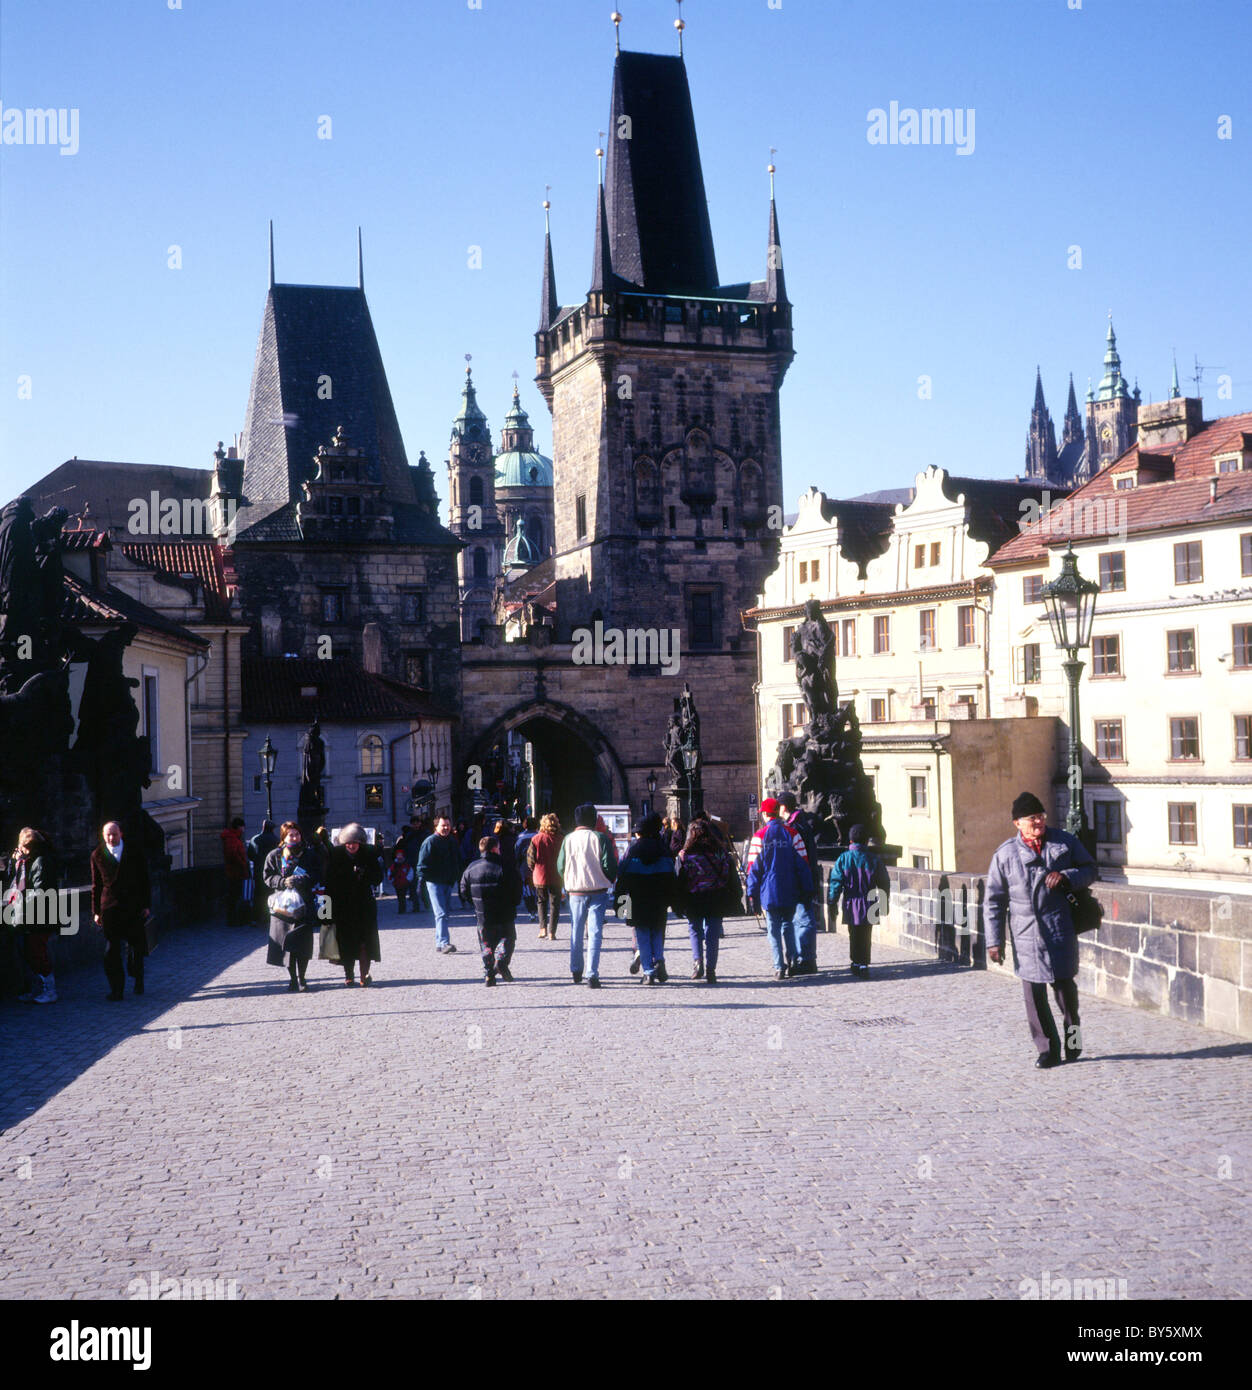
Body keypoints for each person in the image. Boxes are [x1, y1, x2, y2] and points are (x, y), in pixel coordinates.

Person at [985, 792, 1098, 1069]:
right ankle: (1047, 1050)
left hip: (1059, 928)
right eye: (1031, 818)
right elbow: (994, 901)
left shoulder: (1064, 842)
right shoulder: (1005, 855)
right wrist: (994, 942)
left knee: (1065, 993)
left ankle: (1073, 1040)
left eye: (1041, 816)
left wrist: (1067, 876)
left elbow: (1090, 869)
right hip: (1026, 934)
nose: (1038, 822)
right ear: (1017, 823)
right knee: (1033, 997)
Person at [744, 798, 813, 981]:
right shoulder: (792, 833)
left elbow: (753, 869)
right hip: (790, 889)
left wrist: (751, 894)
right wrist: (807, 889)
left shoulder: (759, 836)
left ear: (767, 814)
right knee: (788, 926)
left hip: (769, 891)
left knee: (773, 930)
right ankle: (792, 961)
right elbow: (803, 864)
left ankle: (779, 966)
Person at [556, 803, 617, 987]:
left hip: (575, 891)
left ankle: (576, 969)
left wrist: (569, 879)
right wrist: (607, 878)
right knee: (595, 932)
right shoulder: (600, 838)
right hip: (598, 890)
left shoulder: (568, 839)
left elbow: (560, 865)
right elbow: (610, 865)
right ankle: (592, 973)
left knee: (576, 931)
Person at [90, 821, 151, 1001]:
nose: (111, 838)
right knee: (111, 950)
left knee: (136, 947)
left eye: (114, 834)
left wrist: (146, 905)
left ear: (121, 834)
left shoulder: (134, 851)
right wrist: (96, 911)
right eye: (107, 835)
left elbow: (144, 879)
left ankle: (138, 977)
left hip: (133, 906)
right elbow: (96, 885)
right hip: (110, 908)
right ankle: (117, 989)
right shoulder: (97, 854)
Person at [616, 814, 676, 985]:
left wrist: (621, 904)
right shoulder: (664, 849)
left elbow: (622, 875)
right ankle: (659, 960)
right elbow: (672, 876)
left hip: (638, 897)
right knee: (658, 930)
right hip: (659, 898)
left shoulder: (632, 850)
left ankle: (648, 972)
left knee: (642, 933)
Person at [676, 817, 735, 985]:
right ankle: (711, 969)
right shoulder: (720, 852)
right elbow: (726, 874)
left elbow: (680, 878)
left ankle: (698, 963)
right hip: (715, 896)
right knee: (712, 934)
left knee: (695, 930)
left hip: (693, 897)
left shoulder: (685, 854)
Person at [827, 824, 891, 977]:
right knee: (866, 934)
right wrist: (884, 903)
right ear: (866, 841)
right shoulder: (874, 859)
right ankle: (863, 963)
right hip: (870, 902)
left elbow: (836, 883)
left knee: (853, 933)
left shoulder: (843, 859)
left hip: (851, 902)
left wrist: (832, 902)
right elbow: (884, 882)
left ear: (850, 841)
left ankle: (856, 962)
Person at [325, 823, 384, 986]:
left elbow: (378, 878)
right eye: (348, 843)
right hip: (342, 906)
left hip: (364, 905)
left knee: (365, 942)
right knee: (346, 942)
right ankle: (349, 975)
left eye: (355, 843)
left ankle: (364, 975)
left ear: (361, 843)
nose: (352, 846)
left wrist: (365, 874)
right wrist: (325, 912)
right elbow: (328, 883)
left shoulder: (369, 854)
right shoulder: (335, 856)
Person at [263, 821, 319, 991]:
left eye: (297, 834)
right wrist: (282, 881)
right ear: (284, 837)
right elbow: (267, 877)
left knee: (303, 944)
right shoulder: (275, 855)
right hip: (283, 907)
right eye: (291, 834)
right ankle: (292, 978)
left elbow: (317, 874)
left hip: (304, 906)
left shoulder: (309, 854)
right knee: (287, 945)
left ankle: (302, 978)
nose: (295, 837)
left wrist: (304, 880)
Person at [460, 834, 523, 985]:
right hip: (504, 914)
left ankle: (489, 973)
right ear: (495, 848)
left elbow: (463, 890)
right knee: (508, 940)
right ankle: (501, 962)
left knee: (486, 944)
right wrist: (514, 904)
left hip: (483, 915)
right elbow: (517, 889)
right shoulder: (506, 867)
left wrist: (475, 904)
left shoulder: (471, 868)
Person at [4, 827, 58, 1003]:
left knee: (36, 953)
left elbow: (38, 890)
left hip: (40, 915)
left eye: (23, 847)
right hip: (33, 914)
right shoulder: (31, 861)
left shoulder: (39, 861)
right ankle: (39, 988)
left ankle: (50, 990)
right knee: (30, 952)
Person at [777, 793, 822, 974]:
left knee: (804, 920)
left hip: (801, 879)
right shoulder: (798, 823)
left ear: (784, 807)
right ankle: (803, 959)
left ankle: (807, 960)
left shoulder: (797, 826)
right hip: (801, 878)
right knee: (799, 919)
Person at [417, 814, 463, 954]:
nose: (446, 828)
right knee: (441, 913)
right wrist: (423, 881)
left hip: (448, 882)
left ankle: (439, 942)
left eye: (448, 825)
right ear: (436, 826)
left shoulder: (452, 841)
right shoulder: (430, 842)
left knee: (445, 913)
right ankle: (444, 943)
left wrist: (456, 876)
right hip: (434, 882)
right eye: (443, 825)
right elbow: (422, 865)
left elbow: (457, 860)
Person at [527, 812, 563, 941]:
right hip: (557, 876)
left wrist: (534, 869)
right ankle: (552, 932)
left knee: (541, 901)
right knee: (555, 904)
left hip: (540, 874)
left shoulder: (536, 839)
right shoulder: (561, 839)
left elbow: (530, 859)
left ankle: (543, 929)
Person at [247, 819, 278, 925]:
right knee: (270, 894)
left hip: (258, 871)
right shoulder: (275, 840)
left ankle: (255, 918)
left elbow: (250, 855)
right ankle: (268, 917)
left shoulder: (254, 839)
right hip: (271, 872)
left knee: (258, 894)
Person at [220, 817, 248, 926]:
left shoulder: (232, 837)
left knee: (233, 896)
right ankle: (233, 920)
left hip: (234, 871)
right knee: (234, 896)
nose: (244, 829)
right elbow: (233, 855)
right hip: (235, 872)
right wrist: (243, 863)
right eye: (243, 827)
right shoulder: (232, 838)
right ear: (239, 827)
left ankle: (233, 919)